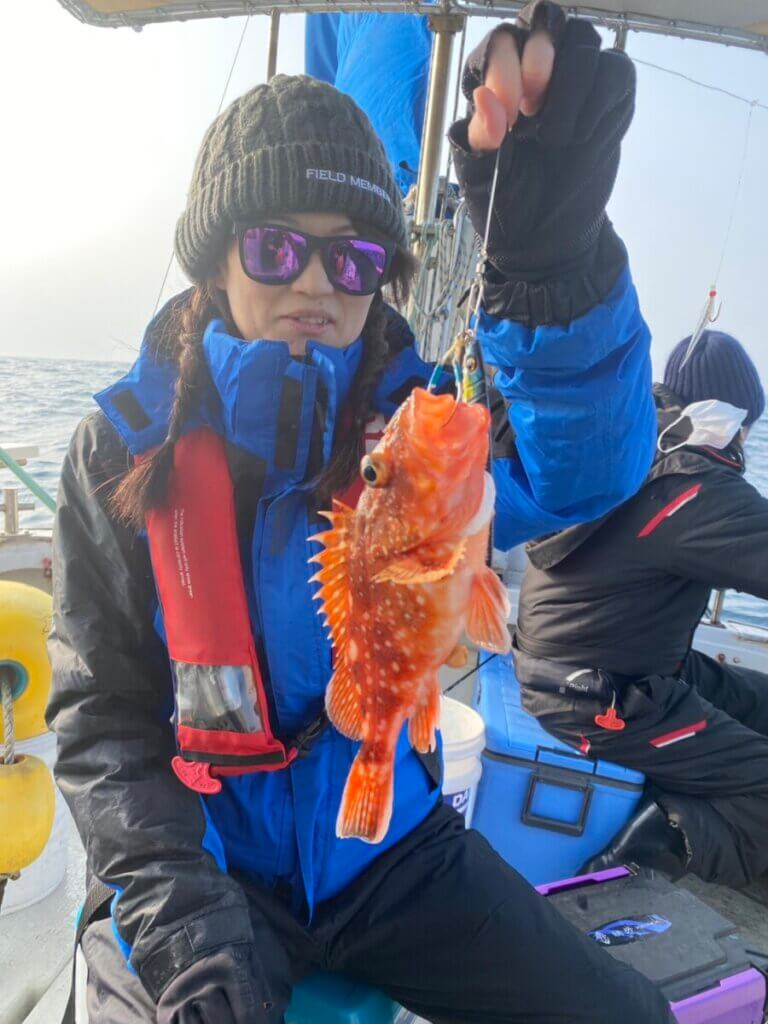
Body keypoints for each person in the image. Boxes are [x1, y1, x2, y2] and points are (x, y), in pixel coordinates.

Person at [47, 5, 672, 1022]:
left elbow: (588, 470)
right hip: (199, 867)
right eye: (274, 246)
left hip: (391, 858)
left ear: (381, 275)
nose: (315, 281)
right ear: (215, 260)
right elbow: (98, 720)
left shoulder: (424, 434)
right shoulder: (120, 449)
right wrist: (176, 911)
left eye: (352, 259)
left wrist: (555, 270)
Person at [514, 328, 768, 890]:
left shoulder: (631, 444)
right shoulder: (696, 482)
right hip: (598, 696)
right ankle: (657, 845)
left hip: (591, 662)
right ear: (735, 417)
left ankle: (686, 790)